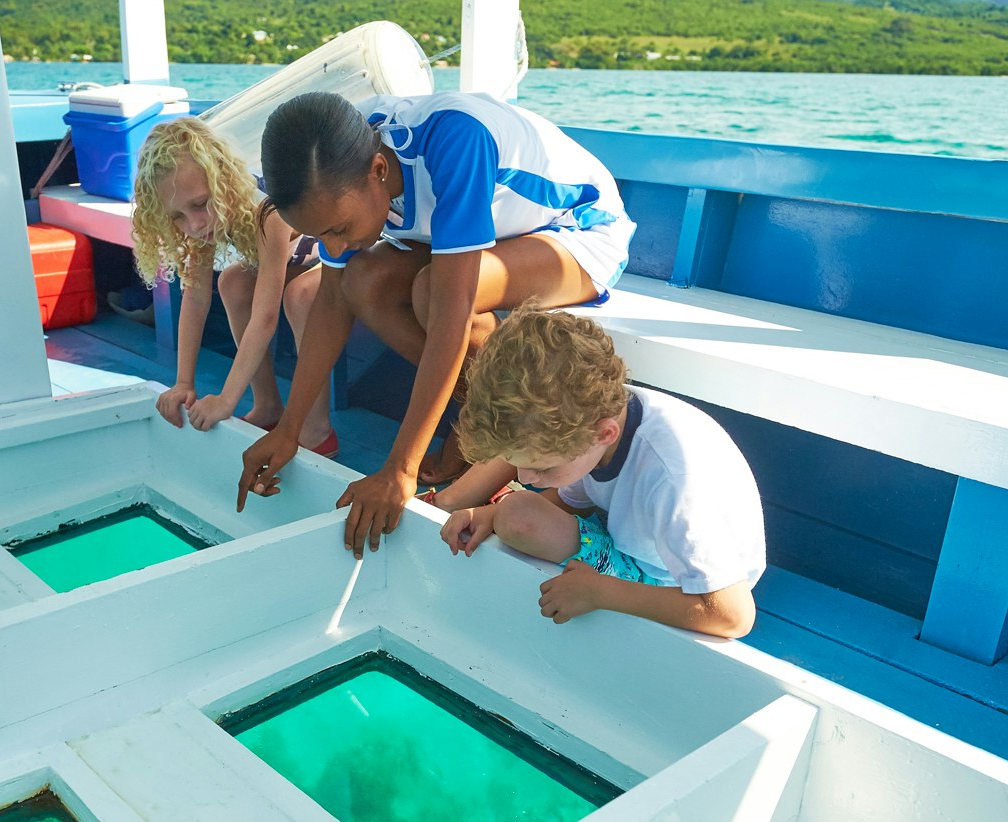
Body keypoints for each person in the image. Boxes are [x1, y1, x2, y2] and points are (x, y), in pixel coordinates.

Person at [235, 91, 636, 558]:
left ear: (379, 172)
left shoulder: (456, 140)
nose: (335, 247)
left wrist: (400, 469)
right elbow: (330, 301)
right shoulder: (341, 152)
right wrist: (288, 429)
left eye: (339, 229)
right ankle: (480, 420)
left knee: (431, 292)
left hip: (579, 230)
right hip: (499, 239)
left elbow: (452, 311)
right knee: (360, 280)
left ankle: (487, 433)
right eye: (320, 235)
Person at [435, 308, 764, 638]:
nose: (524, 478)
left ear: (603, 434)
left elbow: (733, 615)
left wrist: (601, 592)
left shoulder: (675, 483)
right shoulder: (592, 417)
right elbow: (578, 500)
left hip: (673, 581)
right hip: (638, 538)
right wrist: (489, 513)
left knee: (517, 516)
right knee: (514, 515)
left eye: (542, 467)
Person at [132, 117, 336, 455]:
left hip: (342, 250)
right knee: (232, 282)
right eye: (177, 216)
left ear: (223, 181)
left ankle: (317, 428)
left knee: (298, 297)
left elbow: (266, 318)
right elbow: (195, 300)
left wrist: (227, 399)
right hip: (297, 257)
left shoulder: (266, 212)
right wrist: (184, 382)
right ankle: (268, 406)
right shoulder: (203, 223)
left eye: (199, 204)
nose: (194, 224)